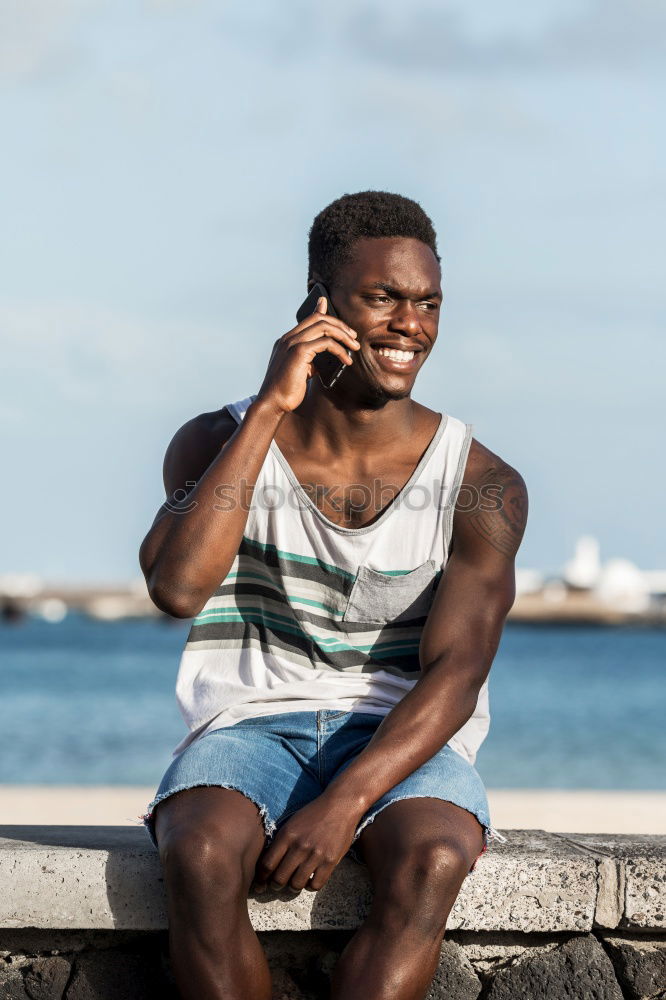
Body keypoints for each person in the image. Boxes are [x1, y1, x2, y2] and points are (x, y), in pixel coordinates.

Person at [139, 190, 528, 1000]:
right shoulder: (217, 440)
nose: (409, 325)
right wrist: (270, 409)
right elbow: (176, 588)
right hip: (250, 726)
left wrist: (346, 801)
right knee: (200, 852)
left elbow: (457, 672)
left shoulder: (482, 484)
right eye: (381, 297)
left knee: (434, 856)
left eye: (427, 303)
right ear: (319, 305)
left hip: (403, 737)